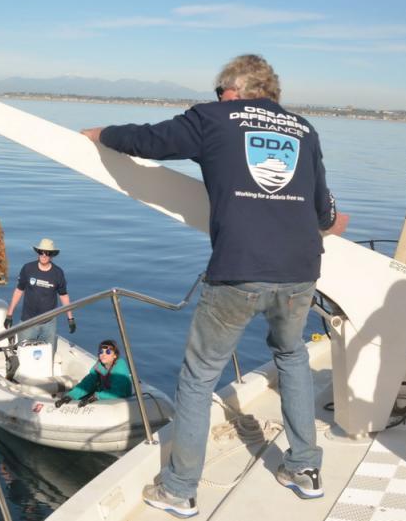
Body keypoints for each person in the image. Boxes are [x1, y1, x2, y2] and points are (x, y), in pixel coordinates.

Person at [82, 54, 349, 518]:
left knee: (199, 375)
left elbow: (148, 141)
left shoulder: (213, 117)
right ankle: (305, 469)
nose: (214, 98)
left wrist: (100, 134)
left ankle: (180, 489)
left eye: (217, 92)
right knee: (292, 356)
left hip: (239, 271)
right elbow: (324, 215)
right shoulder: (304, 130)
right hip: (301, 271)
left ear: (232, 90)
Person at [4, 238, 76, 350]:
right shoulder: (28, 268)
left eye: (47, 253)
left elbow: (64, 296)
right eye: (41, 252)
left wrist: (70, 319)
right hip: (28, 322)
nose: (44, 255)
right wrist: (9, 315)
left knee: (48, 355)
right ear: (37, 253)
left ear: (52, 255)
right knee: (25, 355)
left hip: (49, 323)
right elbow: (19, 290)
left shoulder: (58, 273)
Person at [54, 339, 133, 408]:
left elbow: (118, 392)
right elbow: (87, 384)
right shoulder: (99, 366)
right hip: (103, 396)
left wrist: (96, 396)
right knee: (78, 392)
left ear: (115, 355)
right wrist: (71, 395)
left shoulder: (119, 368)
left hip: (120, 401)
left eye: (108, 352)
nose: (103, 354)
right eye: (101, 352)